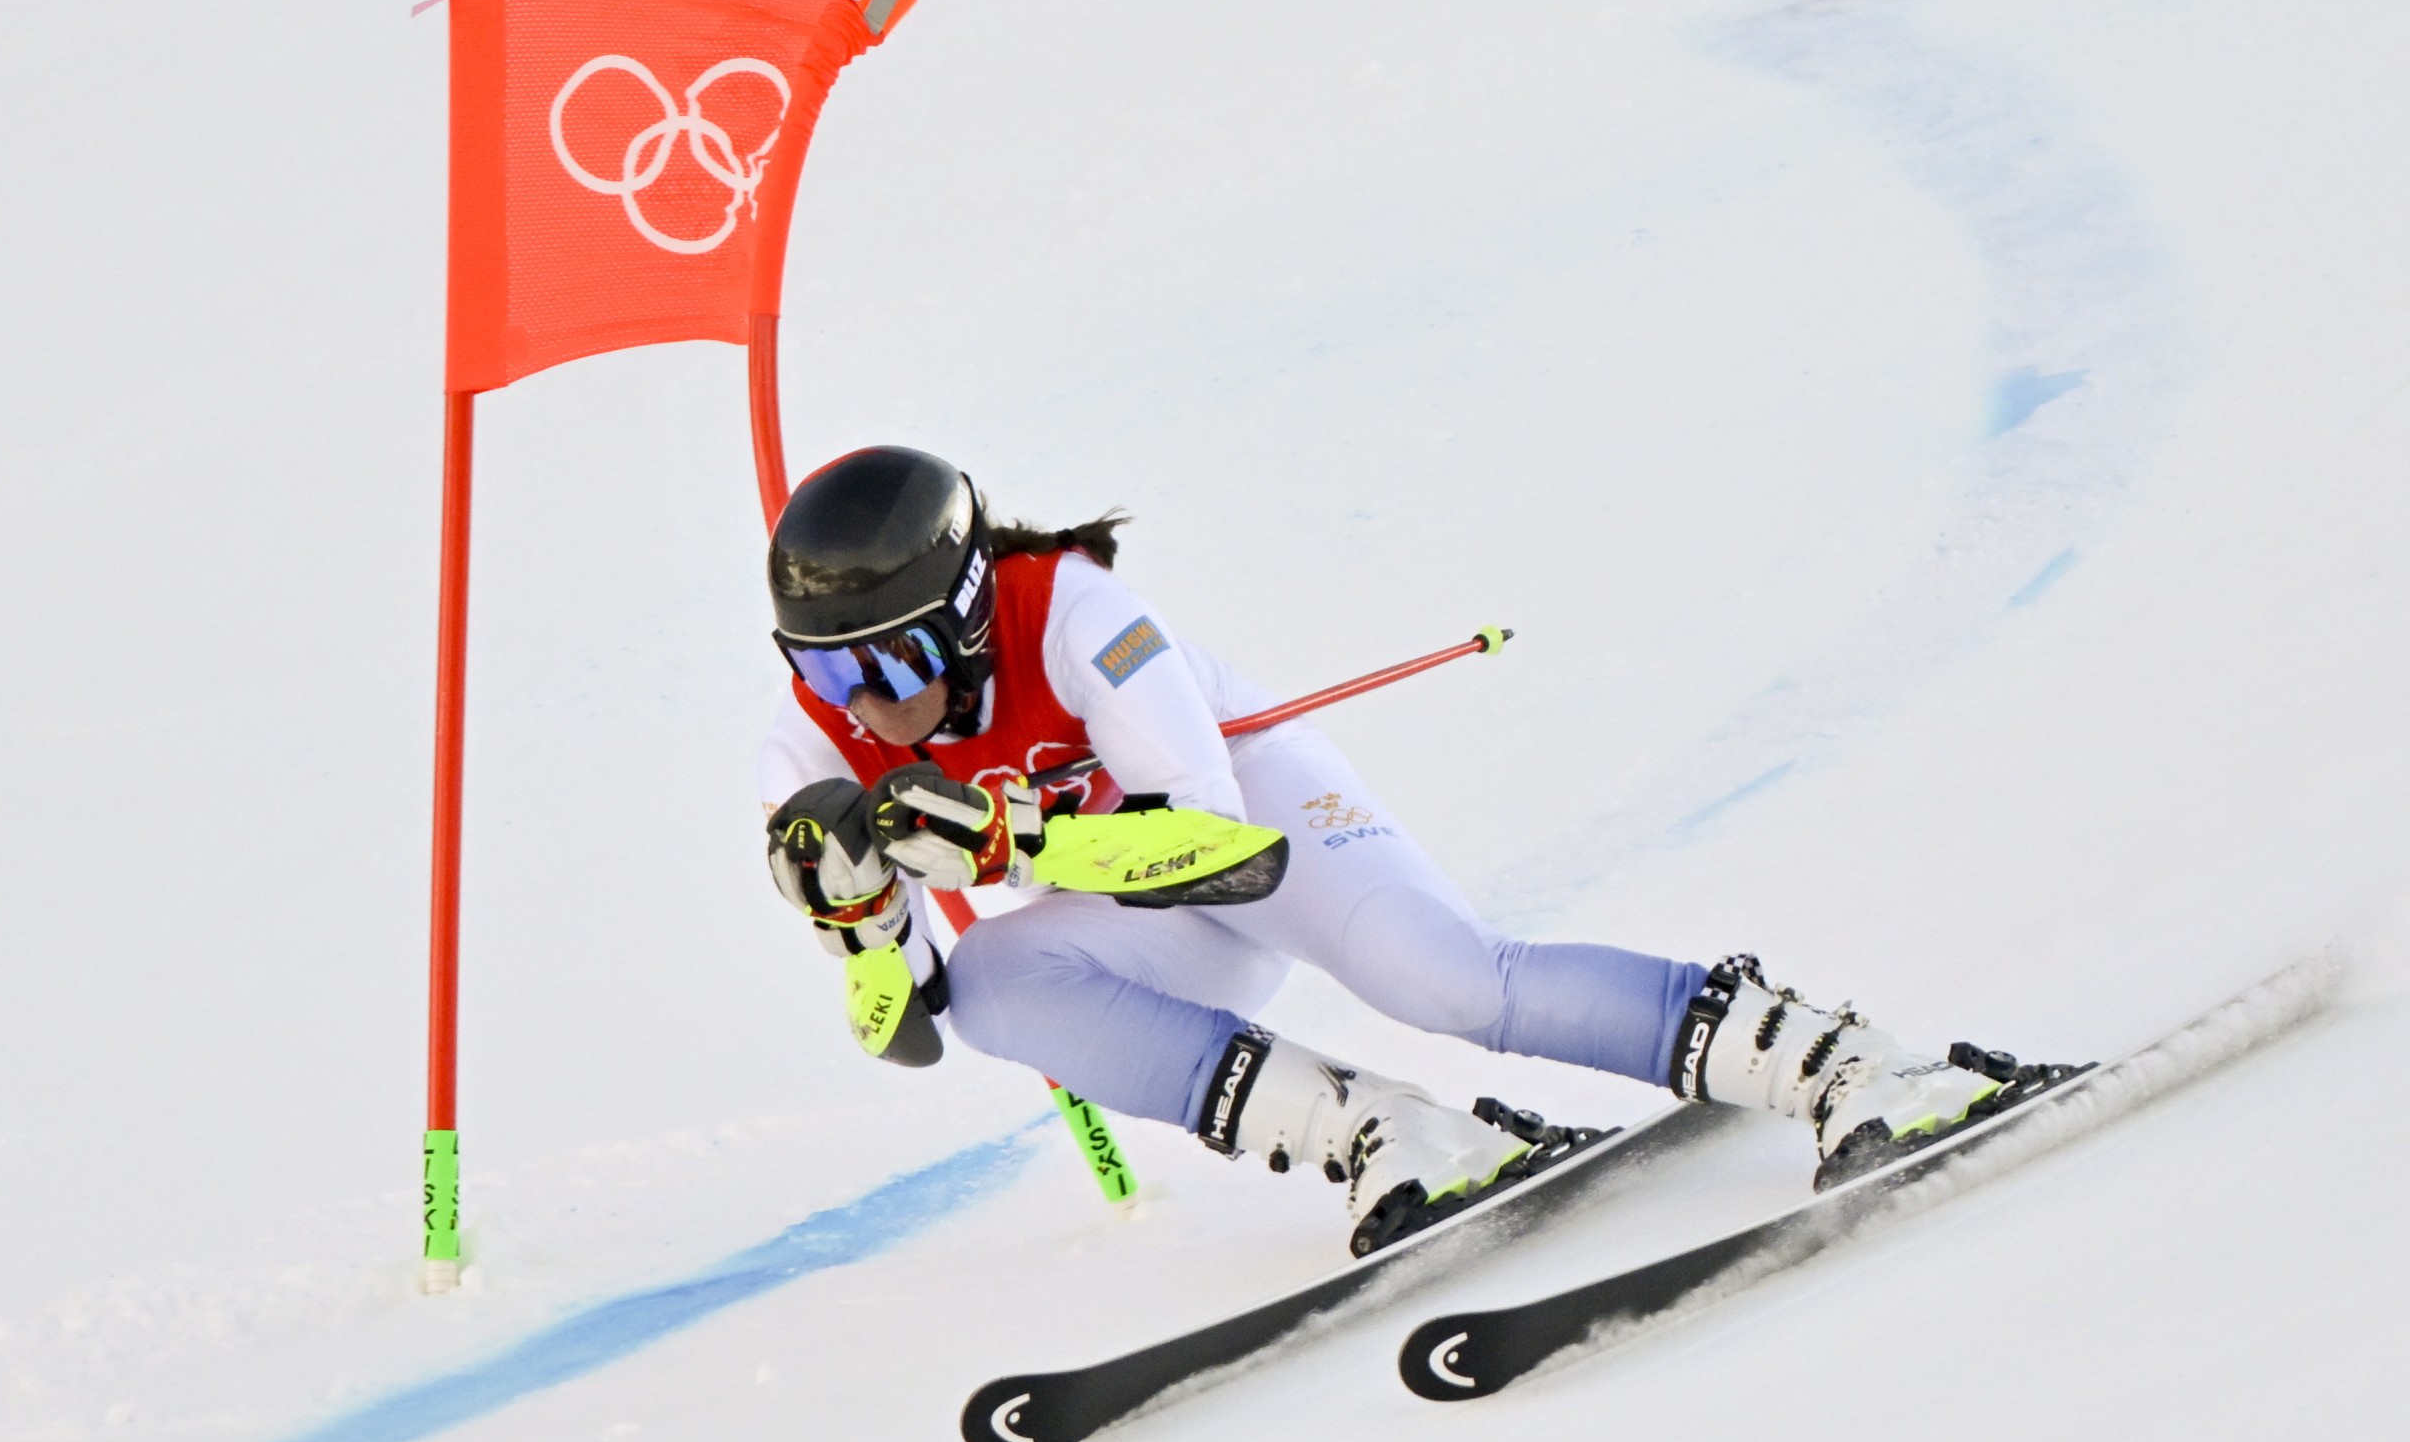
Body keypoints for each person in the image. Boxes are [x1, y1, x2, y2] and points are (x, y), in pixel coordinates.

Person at [759, 446, 2013, 1254]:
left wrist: (1012, 835)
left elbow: (1226, 856)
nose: (862, 703)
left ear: (970, 618)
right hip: (1151, 920)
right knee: (994, 992)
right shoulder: (810, 747)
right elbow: (912, 1028)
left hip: (1255, 822)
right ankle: (1389, 1133)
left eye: (892, 659)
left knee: (1451, 984)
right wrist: (861, 929)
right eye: (823, 667)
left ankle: (1842, 1061)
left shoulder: (1078, 612)